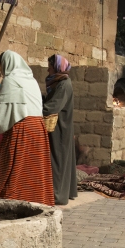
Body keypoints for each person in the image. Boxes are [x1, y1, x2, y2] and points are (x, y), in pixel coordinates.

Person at [0, 50, 54, 206]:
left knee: (15, 171)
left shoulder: (11, 81)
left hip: (22, 130)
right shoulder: (32, 81)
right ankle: (38, 202)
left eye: (2, 66)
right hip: (39, 129)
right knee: (35, 170)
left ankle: (14, 203)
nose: (2, 70)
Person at [42, 54, 77, 205]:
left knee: (58, 160)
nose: (48, 69)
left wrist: (37, 108)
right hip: (60, 126)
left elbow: (54, 106)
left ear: (57, 67)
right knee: (61, 160)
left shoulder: (63, 84)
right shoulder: (59, 82)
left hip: (60, 127)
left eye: (50, 66)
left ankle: (57, 195)